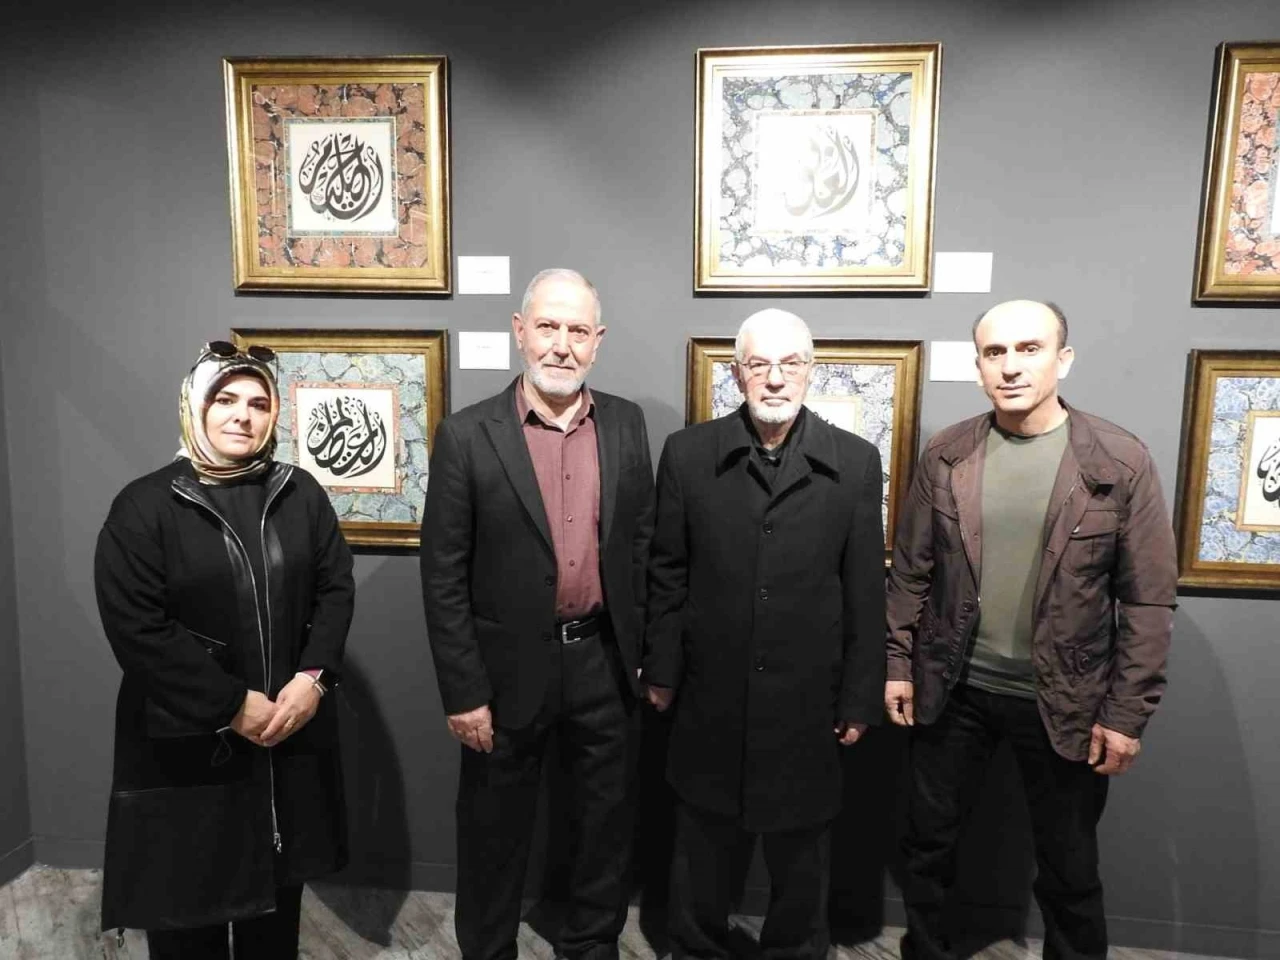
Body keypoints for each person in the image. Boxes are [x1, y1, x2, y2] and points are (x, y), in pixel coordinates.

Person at [885, 300, 1177, 960]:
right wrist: (898, 663)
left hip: (1065, 696)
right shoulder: (947, 454)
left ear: (1062, 359)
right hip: (953, 689)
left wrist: (1126, 714)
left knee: (1070, 865)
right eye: (995, 353)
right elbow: (911, 570)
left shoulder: (1120, 460)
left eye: (1029, 348)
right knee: (927, 847)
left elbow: (1148, 601)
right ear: (979, 366)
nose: (1011, 366)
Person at [420, 268, 655, 960]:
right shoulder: (466, 435)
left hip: (604, 660)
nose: (561, 344)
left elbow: (642, 545)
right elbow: (443, 575)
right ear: (520, 332)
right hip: (504, 671)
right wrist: (463, 691)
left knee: (604, 823)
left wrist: (646, 655)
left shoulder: (626, 424)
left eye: (577, 330)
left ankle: (591, 944)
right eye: (548, 326)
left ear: (598, 341)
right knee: (493, 829)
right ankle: (487, 949)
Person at [94, 341, 355, 959]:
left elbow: (335, 590)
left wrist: (313, 679)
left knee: (273, 919)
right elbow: (138, 628)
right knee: (188, 921)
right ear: (195, 406)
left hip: (286, 737)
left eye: (259, 403)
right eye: (226, 399)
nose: (243, 415)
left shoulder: (300, 493)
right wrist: (231, 703)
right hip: (187, 749)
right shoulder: (144, 505)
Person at [643, 308, 886, 960]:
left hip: (809, 704)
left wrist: (859, 696)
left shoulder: (856, 463)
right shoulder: (688, 455)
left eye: (790, 364)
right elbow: (666, 572)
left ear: (811, 370)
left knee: (802, 862)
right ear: (736, 373)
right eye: (759, 364)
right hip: (708, 696)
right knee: (700, 854)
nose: (775, 379)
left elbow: (865, 591)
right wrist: (661, 671)